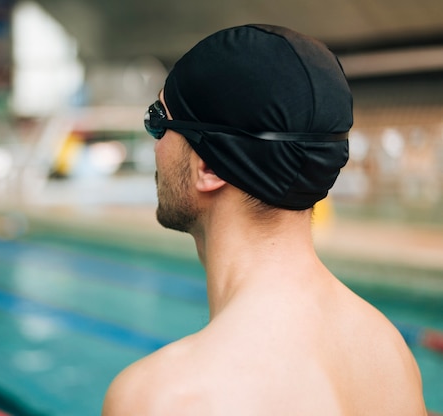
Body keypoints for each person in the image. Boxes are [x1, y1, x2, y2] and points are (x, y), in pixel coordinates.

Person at [102, 24, 426, 415]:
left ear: (209, 165)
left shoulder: (167, 397)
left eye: (158, 119)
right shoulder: (389, 354)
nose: (155, 143)